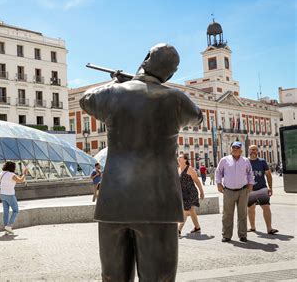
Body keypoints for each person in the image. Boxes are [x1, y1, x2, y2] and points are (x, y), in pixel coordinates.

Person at [80, 43, 203, 281]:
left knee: (113, 278)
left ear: (146, 58)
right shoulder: (176, 98)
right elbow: (197, 116)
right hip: (159, 205)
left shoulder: (113, 93)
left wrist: (118, 83)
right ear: (171, 74)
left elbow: (86, 100)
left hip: (114, 206)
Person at [215, 141, 254, 243]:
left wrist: (250, 184)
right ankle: (226, 235)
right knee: (227, 214)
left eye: (237, 148)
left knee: (242, 214)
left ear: (241, 150)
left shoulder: (245, 161)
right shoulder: (224, 160)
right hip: (228, 190)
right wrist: (219, 183)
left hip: (243, 190)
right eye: (233, 147)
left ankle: (242, 235)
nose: (235, 149)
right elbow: (218, 172)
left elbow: (250, 173)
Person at [247, 145, 279, 235]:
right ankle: (252, 227)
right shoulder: (245, 162)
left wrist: (270, 187)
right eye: (252, 149)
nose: (253, 151)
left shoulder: (262, 161)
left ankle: (269, 228)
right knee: (250, 208)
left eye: (255, 150)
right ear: (248, 150)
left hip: (262, 188)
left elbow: (268, 174)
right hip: (250, 190)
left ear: (258, 151)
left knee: (266, 207)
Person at [178, 154, 205, 236]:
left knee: (186, 211)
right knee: (191, 211)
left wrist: (201, 191)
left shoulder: (189, 169)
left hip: (191, 192)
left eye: (180, 157)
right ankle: (197, 228)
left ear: (185, 160)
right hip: (183, 193)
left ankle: (178, 230)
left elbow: (197, 181)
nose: (178, 158)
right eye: (178, 157)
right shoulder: (178, 169)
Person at [0, 161, 28, 234]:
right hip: (10, 194)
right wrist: (24, 174)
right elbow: (20, 180)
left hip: (2, 194)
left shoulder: (1, 173)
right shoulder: (12, 174)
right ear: (12, 167)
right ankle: (9, 226)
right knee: (15, 210)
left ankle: (6, 228)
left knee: (6, 212)